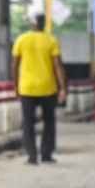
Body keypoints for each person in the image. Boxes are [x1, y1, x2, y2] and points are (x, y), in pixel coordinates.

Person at [12, 14, 67, 165]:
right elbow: (57, 66)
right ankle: (46, 154)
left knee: (28, 122)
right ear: (43, 24)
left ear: (32, 24)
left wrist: (15, 86)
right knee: (49, 121)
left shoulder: (21, 40)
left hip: (27, 88)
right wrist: (62, 88)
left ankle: (31, 156)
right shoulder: (51, 40)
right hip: (47, 88)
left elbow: (15, 65)